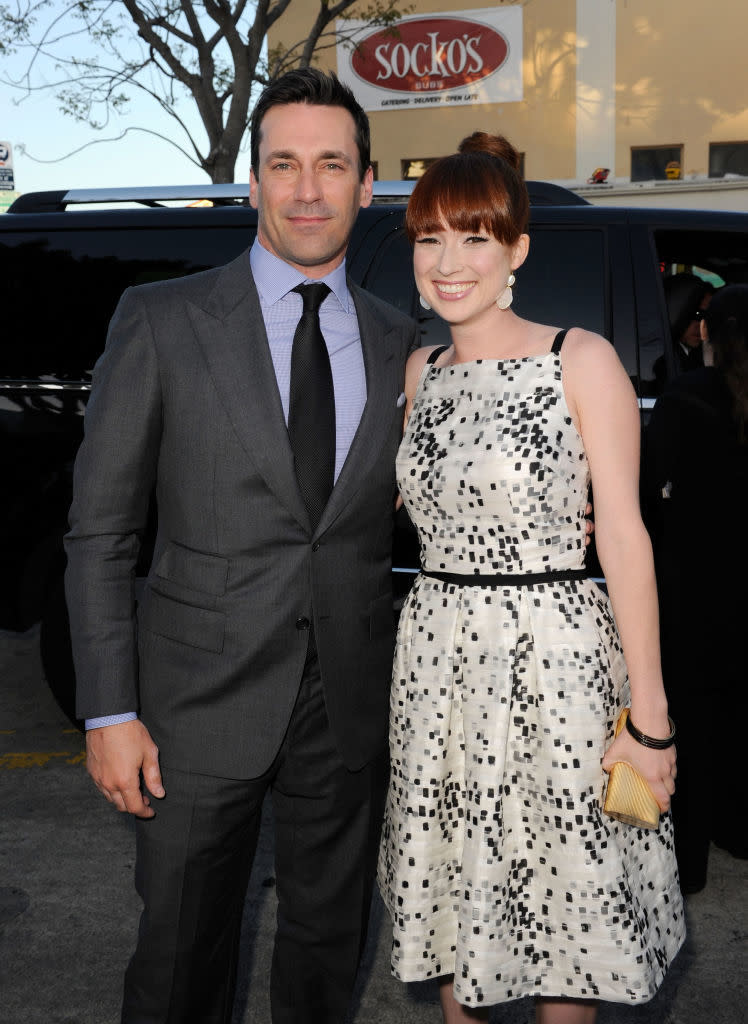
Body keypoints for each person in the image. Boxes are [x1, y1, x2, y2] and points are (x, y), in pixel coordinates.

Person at [64, 69, 417, 1024]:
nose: (308, 189)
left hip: (344, 705)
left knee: (324, 956)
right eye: (285, 165)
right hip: (191, 711)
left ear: (368, 185)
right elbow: (101, 533)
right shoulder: (164, 319)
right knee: (180, 962)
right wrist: (109, 713)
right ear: (253, 183)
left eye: (331, 165)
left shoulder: (405, 344)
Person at [377, 133, 685, 1024]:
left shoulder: (578, 359)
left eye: (475, 237)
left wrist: (651, 720)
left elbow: (625, 537)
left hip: (558, 664)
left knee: (569, 916)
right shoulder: (419, 372)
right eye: (430, 238)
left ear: (516, 249)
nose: (448, 261)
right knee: (450, 902)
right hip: (436, 667)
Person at [642, 283, 748, 893]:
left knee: (695, 724)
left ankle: (688, 865)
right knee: (738, 718)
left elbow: (649, 493)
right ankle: (738, 829)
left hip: (694, 591)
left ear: (705, 331)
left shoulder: (684, 399)